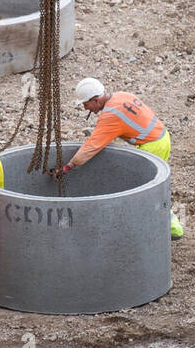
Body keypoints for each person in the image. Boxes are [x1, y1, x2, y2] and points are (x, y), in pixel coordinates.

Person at [54, 78, 182, 238]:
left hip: (153, 146)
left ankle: (169, 230)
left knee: (145, 192)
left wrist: (68, 166)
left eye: (85, 104)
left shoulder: (110, 116)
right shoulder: (121, 96)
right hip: (162, 137)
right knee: (150, 189)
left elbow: (91, 146)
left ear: (95, 100)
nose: (84, 107)